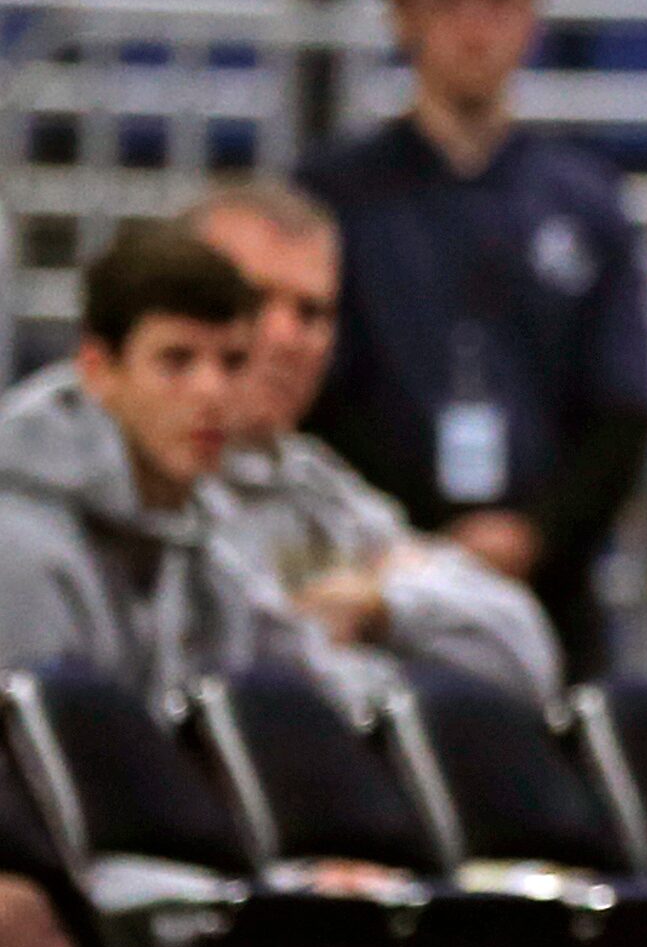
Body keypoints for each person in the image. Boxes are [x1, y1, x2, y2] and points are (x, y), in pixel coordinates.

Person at [300, 0, 647, 680]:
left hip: (550, 590)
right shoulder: (335, 198)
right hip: (375, 582)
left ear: (532, 12)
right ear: (401, 14)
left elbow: (624, 410)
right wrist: (420, 541)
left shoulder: (586, 200)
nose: (474, 24)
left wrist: (532, 534)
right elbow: (311, 394)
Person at [188, 181, 563, 702]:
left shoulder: (314, 486)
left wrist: (380, 604)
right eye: (255, 299)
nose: (287, 336)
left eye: (312, 313)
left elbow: (526, 653)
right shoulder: (139, 485)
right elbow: (275, 695)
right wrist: (402, 674)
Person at [0, 223, 328, 698]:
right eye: (177, 360)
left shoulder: (211, 543)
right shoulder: (18, 548)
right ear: (97, 369)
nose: (211, 393)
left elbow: (323, 689)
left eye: (233, 363)